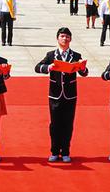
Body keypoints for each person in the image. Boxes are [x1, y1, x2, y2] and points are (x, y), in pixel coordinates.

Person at [35, 27, 88, 162]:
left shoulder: (76, 55)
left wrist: (82, 68)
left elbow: (84, 73)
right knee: (55, 124)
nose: (65, 39)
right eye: (62, 36)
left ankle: (65, 151)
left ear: (70, 39)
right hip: (55, 94)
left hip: (70, 95)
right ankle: (54, 151)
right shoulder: (51, 55)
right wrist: (48, 67)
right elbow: (37, 67)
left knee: (68, 123)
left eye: (67, 36)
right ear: (57, 38)